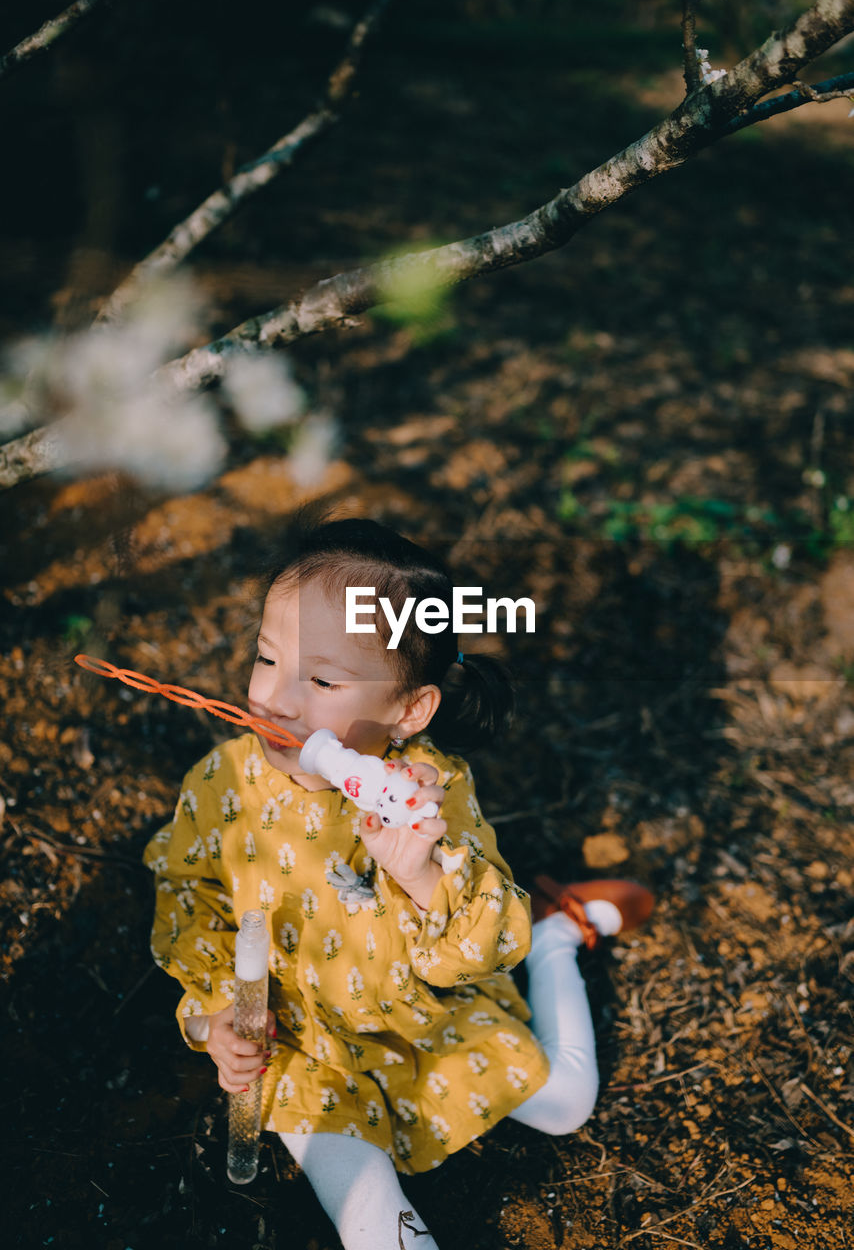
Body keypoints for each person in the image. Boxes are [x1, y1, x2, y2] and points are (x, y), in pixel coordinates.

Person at [143, 512, 653, 1250]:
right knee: (373, 1224)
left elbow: (476, 947)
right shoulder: (223, 783)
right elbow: (189, 895)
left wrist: (419, 877)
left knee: (568, 1102)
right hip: (302, 1049)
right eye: (265, 658)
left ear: (409, 710)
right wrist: (214, 1015)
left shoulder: (430, 800)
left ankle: (552, 940)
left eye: (321, 679)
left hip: (420, 1026)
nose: (278, 700)